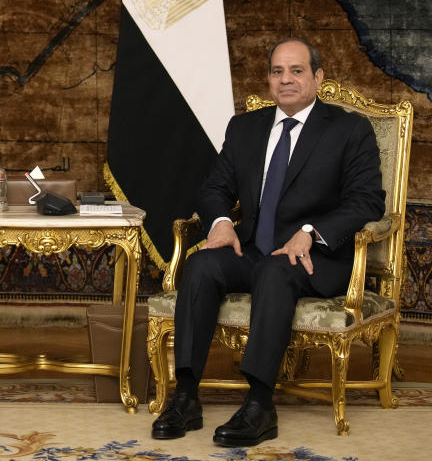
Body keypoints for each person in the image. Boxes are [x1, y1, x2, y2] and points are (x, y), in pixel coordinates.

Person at [151, 38, 384, 447]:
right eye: (278, 71)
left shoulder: (348, 129)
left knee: (278, 270)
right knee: (204, 264)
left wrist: (311, 233)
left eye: (296, 71)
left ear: (318, 77)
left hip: (313, 259)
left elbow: (367, 200)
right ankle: (185, 396)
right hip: (253, 250)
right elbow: (213, 189)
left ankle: (260, 404)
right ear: (269, 79)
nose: (286, 80)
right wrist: (222, 223)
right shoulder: (245, 127)